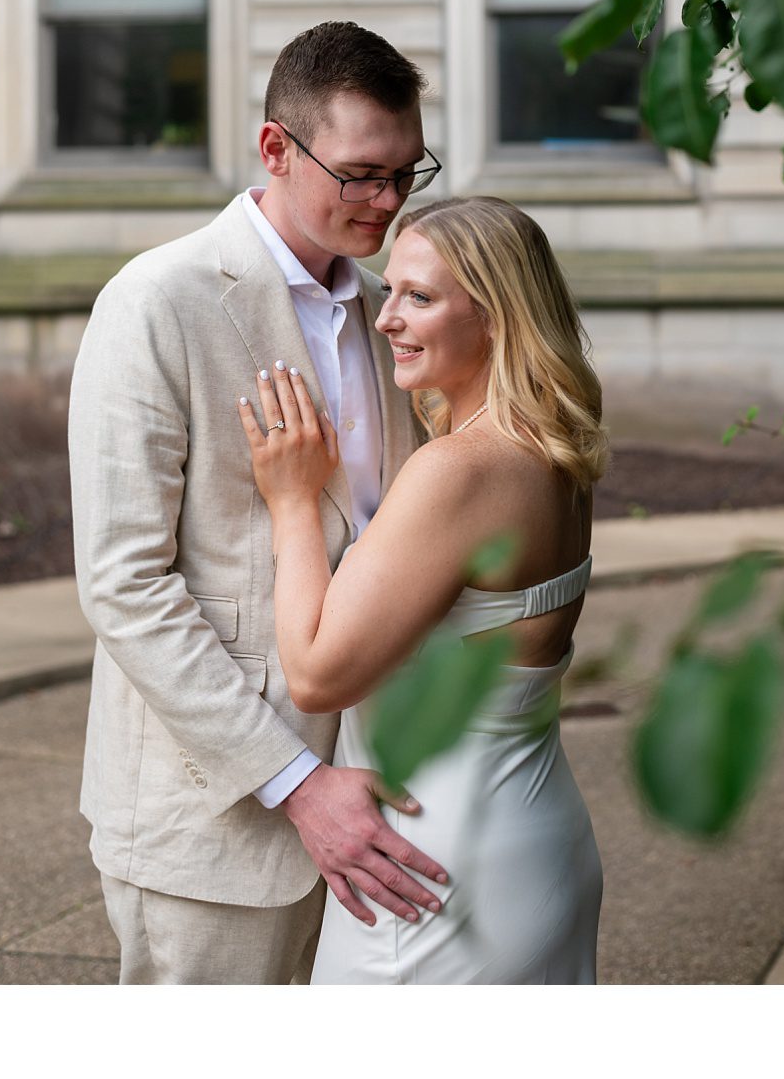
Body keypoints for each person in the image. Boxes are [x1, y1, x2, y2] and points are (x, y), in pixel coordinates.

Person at [71, 21, 447, 983]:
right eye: (362, 172)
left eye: (408, 172)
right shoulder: (156, 300)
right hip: (219, 816)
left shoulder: (385, 306)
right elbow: (125, 586)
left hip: (382, 796)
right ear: (276, 147)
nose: (390, 200)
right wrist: (298, 784)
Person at [242, 195, 607, 983]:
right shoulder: (555, 448)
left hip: (426, 873)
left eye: (420, 296)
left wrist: (293, 501)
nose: (386, 319)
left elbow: (315, 670)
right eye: (392, 289)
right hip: (538, 841)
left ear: (497, 315)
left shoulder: (459, 470)